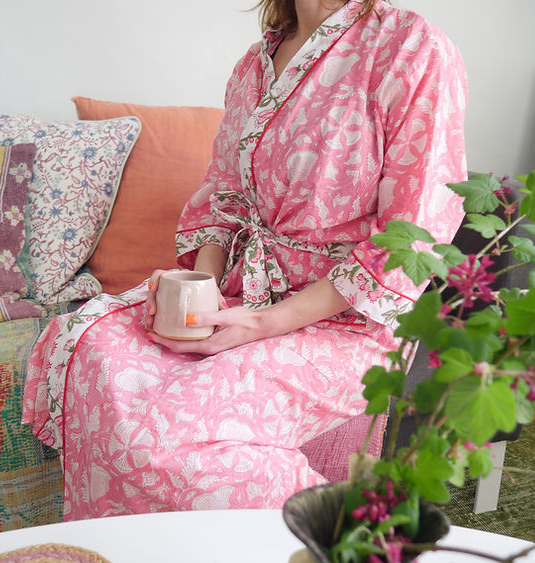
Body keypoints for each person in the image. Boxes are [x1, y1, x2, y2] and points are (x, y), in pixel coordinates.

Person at [24, 0, 468, 520]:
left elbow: (415, 231)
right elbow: (225, 194)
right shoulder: (253, 66)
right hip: (244, 292)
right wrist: (202, 285)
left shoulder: (411, 48)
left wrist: (265, 322)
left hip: (346, 322)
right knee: (96, 347)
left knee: (165, 434)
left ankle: (342, 534)